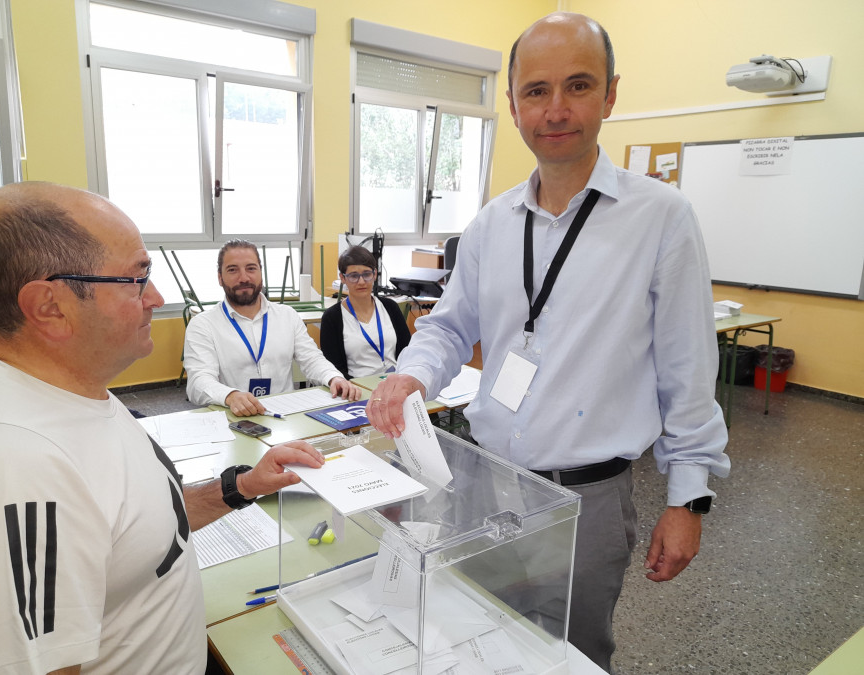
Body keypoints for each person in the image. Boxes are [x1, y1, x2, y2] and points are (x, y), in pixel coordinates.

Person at [366, 12, 730, 672]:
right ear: (512, 105)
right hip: (487, 484)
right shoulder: (490, 225)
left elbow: (688, 370)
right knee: (482, 640)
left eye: (578, 86)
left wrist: (689, 498)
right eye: (536, 91)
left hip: (588, 499)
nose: (555, 109)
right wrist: (413, 375)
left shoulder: (661, 219)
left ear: (610, 95)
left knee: (573, 656)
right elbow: (449, 326)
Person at [0, 182, 324, 674]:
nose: (156, 297)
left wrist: (242, 486)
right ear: (50, 305)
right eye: (137, 278)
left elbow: (140, 528)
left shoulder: (78, 388)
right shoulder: (19, 466)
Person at [183, 239, 362, 417]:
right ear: (220, 278)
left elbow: (312, 359)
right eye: (232, 270)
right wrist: (230, 396)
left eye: (251, 268)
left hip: (285, 417)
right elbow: (198, 382)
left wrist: (333, 377)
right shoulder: (203, 324)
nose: (244, 278)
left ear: (261, 272)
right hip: (233, 418)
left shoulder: (287, 316)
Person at [320, 245, 411, 379]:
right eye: (353, 276)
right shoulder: (332, 318)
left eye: (366, 274)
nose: (361, 281)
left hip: (395, 381)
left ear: (374, 274)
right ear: (343, 278)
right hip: (356, 388)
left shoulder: (390, 307)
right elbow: (335, 369)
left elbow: (407, 352)